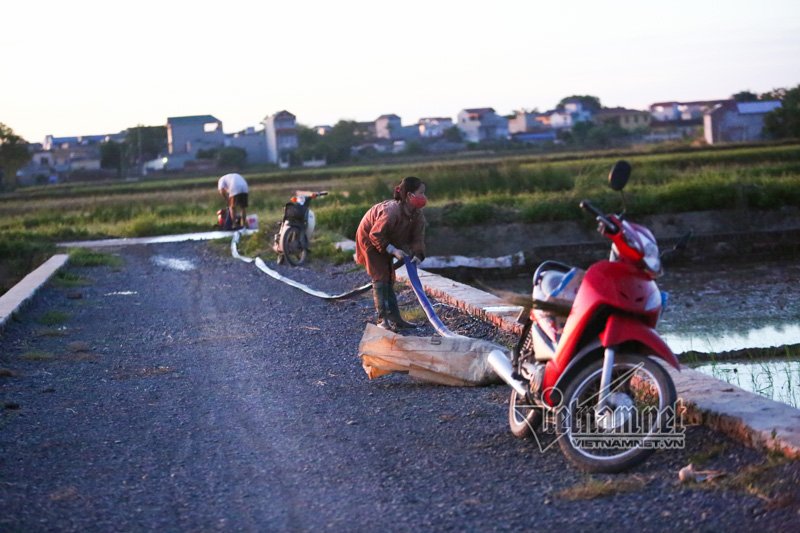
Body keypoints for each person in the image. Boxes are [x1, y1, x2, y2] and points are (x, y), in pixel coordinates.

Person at [356, 176, 427, 331]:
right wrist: (393, 250)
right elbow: (375, 234)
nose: (424, 197)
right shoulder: (392, 211)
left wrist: (417, 253)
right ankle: (383, 320)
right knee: (381, 277)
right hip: (369, 238)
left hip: (387, 240)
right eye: (421, 193)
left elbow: (417, 237)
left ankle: (395, 318)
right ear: (409, 195)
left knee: (389, 277)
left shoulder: (417, 215)